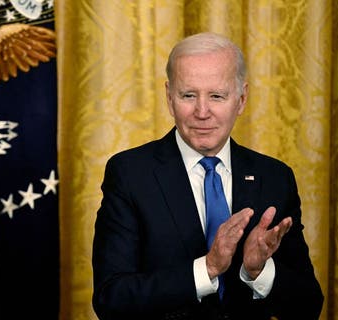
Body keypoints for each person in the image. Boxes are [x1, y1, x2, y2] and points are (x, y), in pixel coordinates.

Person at [92, 32, 323, 319]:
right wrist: (208, 268)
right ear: (169, 98)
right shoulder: (130, 174)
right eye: (188, 95)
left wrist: (259, 271)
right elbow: (110, 299)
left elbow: (309, 305)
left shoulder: (275, 177)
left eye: (217, 96)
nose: (202, 112)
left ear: (241, 99)